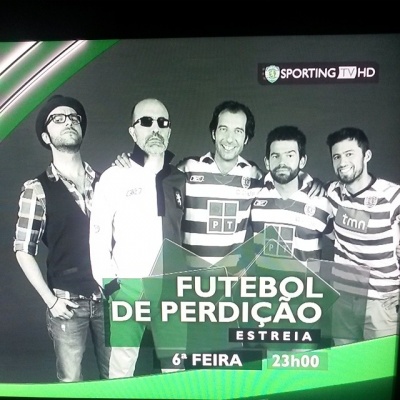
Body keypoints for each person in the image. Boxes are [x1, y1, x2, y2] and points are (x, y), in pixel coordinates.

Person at [13, 95, 111, 382]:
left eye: (73, 118)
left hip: (110, 298)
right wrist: (51, 300)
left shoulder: (108, 181)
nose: (68, 122)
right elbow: (23, 249)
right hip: (67, 305)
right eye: (58, 119)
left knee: (117, 378)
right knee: (71, 383)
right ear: (46, 136)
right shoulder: (37, 189)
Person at [89, 98, 186, 378]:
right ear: (133, 131)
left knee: (176, 370)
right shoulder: (113, 177)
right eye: (146, 122)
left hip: (171, 289)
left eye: (162, 123)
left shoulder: (180, 179)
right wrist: (111, 287)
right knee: (121, 371)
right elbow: (97, 237)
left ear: (169, 131)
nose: (155, 128)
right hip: (128, 288)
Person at [248, 125, 334, 351]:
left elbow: (347, 242)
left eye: (289, 155)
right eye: (275, 156)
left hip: (306, 305)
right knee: (274, 367)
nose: (282, 162)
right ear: (267, 162)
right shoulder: (255, 197)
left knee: (303, 368)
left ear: (302, 160)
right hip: (267, 304)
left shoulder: (321, 202)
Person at [325, 127, 400, 344]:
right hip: (343, 296)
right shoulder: (332, 192)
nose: (342, 162)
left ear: (367, 156)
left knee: (379, 364)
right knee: (345, 361)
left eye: (349, 154)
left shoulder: (392, 196)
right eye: (337, 156)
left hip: (381, 302)